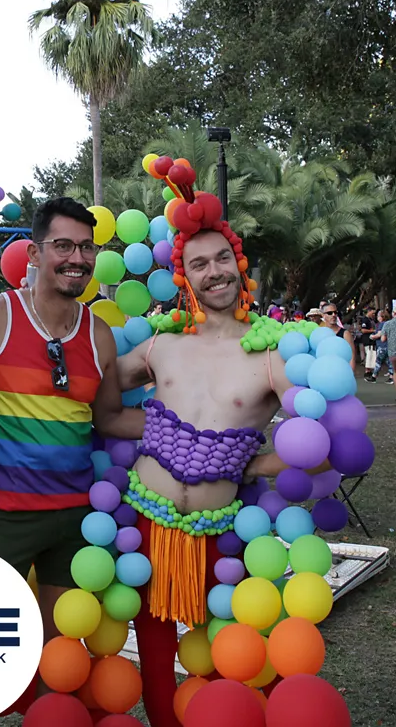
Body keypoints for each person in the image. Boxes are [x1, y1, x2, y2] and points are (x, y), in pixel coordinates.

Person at [114, 207, 323, 727]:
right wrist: (161, 432)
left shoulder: (271, 355)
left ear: (239, 263)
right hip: (145, 525)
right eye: (200, 263)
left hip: (225, 535)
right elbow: (100, 398)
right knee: (155, 654)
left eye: (222, 258)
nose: (215, 272)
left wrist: (256, 463)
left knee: (233, 649)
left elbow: (320, 440)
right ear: (184, 276)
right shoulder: (162, 344)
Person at [0, 198, 145, 649]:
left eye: (86, 247)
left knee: (59, 653)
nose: (77, 258)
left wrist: (189, 428)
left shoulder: (99, 334)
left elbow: (109, 418)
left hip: (75, 518)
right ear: (34, 252)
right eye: (63, 245)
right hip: (3, 516)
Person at [322, 303, 357, 370]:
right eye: (330, 313)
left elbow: (352, 356)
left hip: (341, 369)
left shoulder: (345, 334)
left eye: (335, 312)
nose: (333, 315)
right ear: (323, 315)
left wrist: (350, 372)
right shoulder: (320, 333)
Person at [368, 308, 393, 384]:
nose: (377, 317)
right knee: (389, 362)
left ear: (382, 317)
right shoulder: (389, 323)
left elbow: (380, 334)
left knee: (378, 361)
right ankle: (392, 376)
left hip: (382, 345)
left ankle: (374, 376)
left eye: (378, 316)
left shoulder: (381, 324)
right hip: (389, 345)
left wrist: (372, 336)